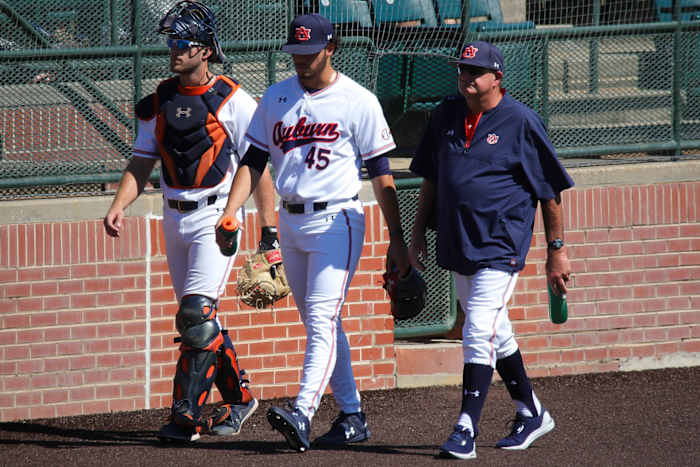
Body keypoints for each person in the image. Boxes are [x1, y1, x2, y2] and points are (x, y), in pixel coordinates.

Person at [215, 13, 411, 453]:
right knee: (321, 321)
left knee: (321, 318)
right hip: (291, 220)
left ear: (331, 48)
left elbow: (381, 173)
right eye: (296, 52)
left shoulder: (357, 100)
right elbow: (252, 161)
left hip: (337, 219)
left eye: (310, 52)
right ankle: (352, 415)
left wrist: (396, 238)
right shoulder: (277, 96)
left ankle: (303, 410)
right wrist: (231, 212)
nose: (302, 60)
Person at [103, 1, 277, 443]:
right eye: (171, 42)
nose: (173, 50)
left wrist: (266, 230)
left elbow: (258, 163)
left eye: (182, 43)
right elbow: (142, 160)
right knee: (198, 323)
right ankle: (240, 400)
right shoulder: (159, 100)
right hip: (172, 215)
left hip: (216, 217)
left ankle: (186, 416)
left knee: (196, 314)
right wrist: (120, 203)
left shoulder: (233, 99)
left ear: (204, 51)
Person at [409, 41, 574, 460]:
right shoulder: (445, 114)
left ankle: (466, 427)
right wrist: (415, 236)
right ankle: (531, 410)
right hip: (458, 240)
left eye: (475, 71)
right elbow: (430, 177)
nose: (465, 77)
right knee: (495, 333)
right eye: (462, 69)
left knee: (477, 328)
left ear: (497, 77)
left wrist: (556, 250)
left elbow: (549, 193)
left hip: (502, 244)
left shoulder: (521, 121)